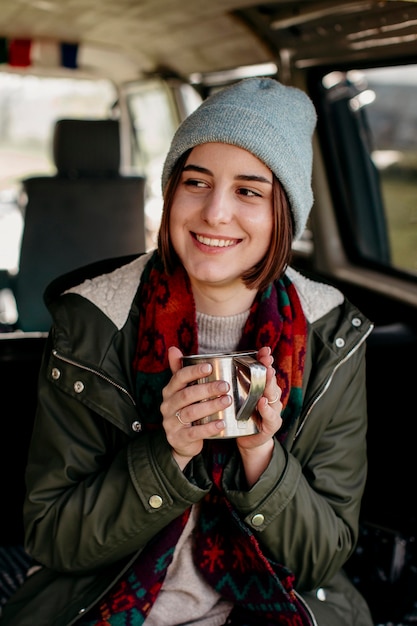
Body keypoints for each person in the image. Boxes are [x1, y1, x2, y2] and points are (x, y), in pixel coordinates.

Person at [0, 77, 374, 626]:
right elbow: (55, 539)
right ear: (171, 191)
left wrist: (261, 458)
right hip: (110, 603)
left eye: (249, 191)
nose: (215, 213)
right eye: (196, 182)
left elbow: (322, 559)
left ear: (285, 214)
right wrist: (167, 453)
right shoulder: (92, 322)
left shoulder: (330, 334)